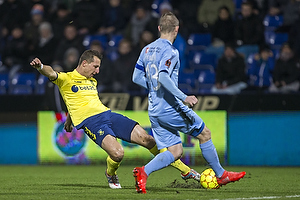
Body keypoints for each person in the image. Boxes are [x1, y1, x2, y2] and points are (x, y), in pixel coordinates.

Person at [30, 49, 201, 189]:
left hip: (108, 115)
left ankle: (186, 171)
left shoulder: (92, 82)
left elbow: (75, 102)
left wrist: (69, 119)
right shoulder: (66, 79)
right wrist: (40, 67)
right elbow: (50, 72)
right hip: (92, 122)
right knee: (118, 154)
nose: (97, 71)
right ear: (84, 63)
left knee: (148, 139)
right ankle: (110, 174)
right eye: (95, 66)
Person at [132, 12, 246, 194]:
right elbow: (162, 75)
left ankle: (143, 172)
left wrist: (154, 87)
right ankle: (221, 174)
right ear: (177, 30)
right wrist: (183, 96)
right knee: (205, 133)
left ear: (159, 28)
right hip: (170, 107)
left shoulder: (146, 49)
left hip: (154, 109)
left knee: (176, 151)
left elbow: (136, 77)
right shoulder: (171, 51)